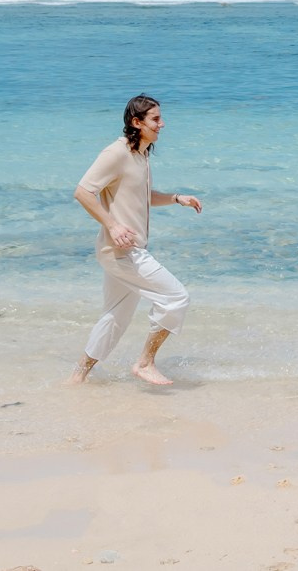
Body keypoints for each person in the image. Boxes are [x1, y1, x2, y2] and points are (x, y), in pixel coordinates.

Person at [68, 95, 203, 386]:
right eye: (155, 119)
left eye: (160, 118)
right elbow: (82, 192)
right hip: (121, 251)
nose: (162, 124)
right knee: (176, 297)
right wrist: (113, 224)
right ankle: (145, 362)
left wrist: (176, 198)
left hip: (124, 250)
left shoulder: (141, 155)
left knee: (116, 317)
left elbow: (141, 196)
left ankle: (77, 377)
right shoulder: (116, 153)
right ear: (136, 122)